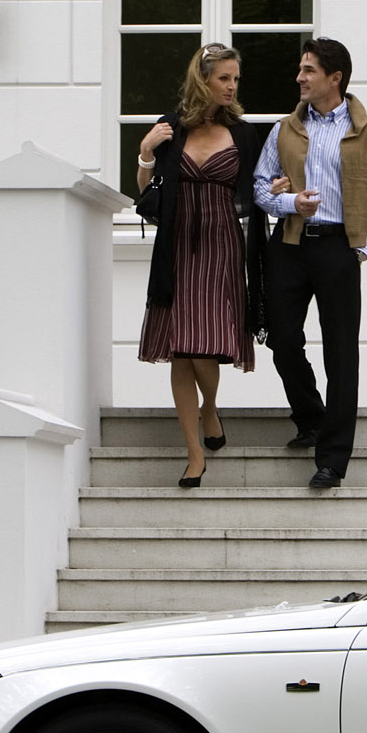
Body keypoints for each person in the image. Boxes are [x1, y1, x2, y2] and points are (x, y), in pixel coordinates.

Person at [250, 37, 367, 490]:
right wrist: (291, 201)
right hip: (289, 246)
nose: (299, 78)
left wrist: (361, 247)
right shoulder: (283, 130)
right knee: (282, 337)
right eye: (300, 69)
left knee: (340, 352)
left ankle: (332, 459)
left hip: (338, 249)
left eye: (309, 70)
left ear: (335, 78)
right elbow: (258, 190)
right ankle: (312, 416)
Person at [132, 44, 270, 490]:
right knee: (181, 349)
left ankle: (210, 406)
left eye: (236, 79)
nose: (231, 87)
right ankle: (195, 454)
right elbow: (147, 192)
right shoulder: (172, 127)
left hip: (222, 245)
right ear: (203, 80)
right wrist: (146, 153)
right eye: (224, 78)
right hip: (177, 245)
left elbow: (260, 191)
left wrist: (279, 188)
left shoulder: (245, 135)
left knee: (204, 346)